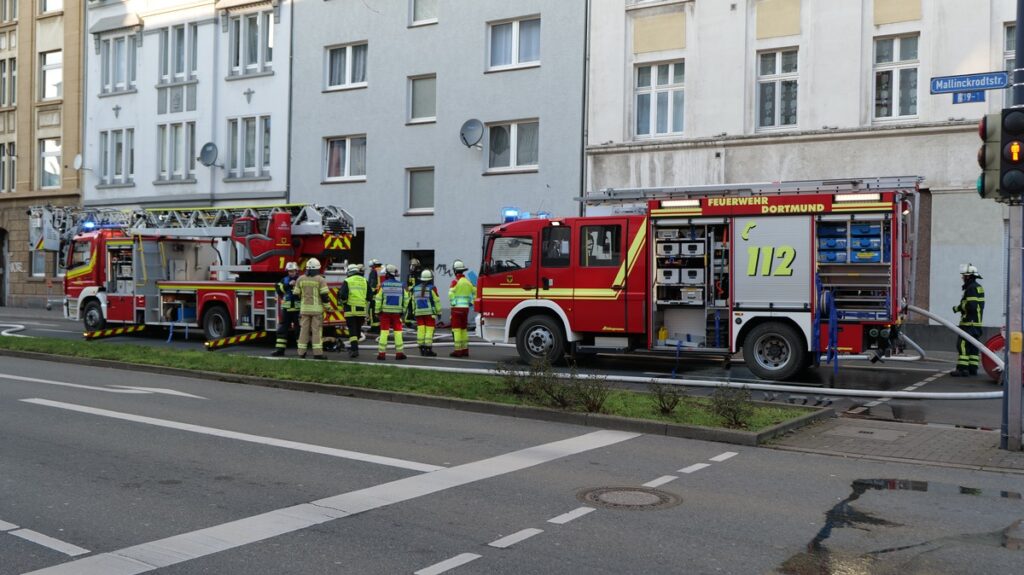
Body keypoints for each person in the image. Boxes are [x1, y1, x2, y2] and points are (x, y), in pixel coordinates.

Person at [951, 263, 985, 377]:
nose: (962, 278)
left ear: (969, 276)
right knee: (973, 345)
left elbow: (971, 305)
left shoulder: (971, 288)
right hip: (976, 323)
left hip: (969, 323)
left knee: (962, 344)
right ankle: (972, 368)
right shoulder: (978, 287)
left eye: (964, 276)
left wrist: (958, 308)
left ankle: (962, 369)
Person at [295, 258, 330, 360]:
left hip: (304, 310)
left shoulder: (300, 279)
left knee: (303, 331)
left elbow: (296, 294)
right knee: (316, 332)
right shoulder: (320, 279)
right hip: (316, 311)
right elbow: (324, 296)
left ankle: (301, 353)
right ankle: (317, 354)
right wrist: (328, 308)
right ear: (317, 269)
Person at [375, 264, 408, 361]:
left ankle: (381, 354)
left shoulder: (383, 285)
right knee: (398, 333)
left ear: (387, 274)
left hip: (385, 313)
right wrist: (403, 310)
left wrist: (377, 311)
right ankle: (399, 353)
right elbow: (406, 299)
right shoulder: (401, 285)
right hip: (397, 314)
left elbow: (378, 299)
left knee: (384, 332)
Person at [271, 262, 301, 357]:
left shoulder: (301, 279)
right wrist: (288, 284)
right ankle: (280, 350)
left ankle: (301, 351)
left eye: (292, 271)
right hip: (286, 309)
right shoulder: (284, 280)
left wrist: (296, 285)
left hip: (298, 310)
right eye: (289, 271)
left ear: (296, 271)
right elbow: (279, 290)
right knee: (282, 330)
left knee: (299, 331)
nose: (291, 273)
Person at [338, 263, 368, 358]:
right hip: (361, 310)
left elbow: (343, 295)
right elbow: (369, 296)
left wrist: (344, 302)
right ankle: (354, 347)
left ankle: (354, 350)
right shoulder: (364, 281)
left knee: (352, 330)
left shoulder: (348, 280)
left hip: (350, 310)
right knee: (358, 330)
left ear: (349, 272)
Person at [448, 259, 476, 357]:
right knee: (463, 329)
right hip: (465, 309)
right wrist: (471, 302)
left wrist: (453, 303)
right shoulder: (468, 282)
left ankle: (458, 351)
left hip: (456, 309)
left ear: (455, 270)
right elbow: (475, 292)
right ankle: (465, 349)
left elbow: (450, 293)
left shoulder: (455, 281)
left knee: (456, 330)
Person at [413, 270, 442, 356]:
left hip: (418, 312)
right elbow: (436, 301)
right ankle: (428, 349)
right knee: (429, 330)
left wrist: (414, 311)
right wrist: (439, 312)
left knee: (421, 330)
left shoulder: (415, 288)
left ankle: (421, 348)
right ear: (430, 279)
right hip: (429, 313)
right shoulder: (432, 288)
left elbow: (413, 301)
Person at [404, 258, 422, 327]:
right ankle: (408, 322)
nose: (412, 267)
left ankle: (416, 322)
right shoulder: (409, 275)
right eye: (411, 265)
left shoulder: (420, 274)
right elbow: (408, 284)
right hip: (410, 294)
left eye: (414, 265)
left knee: (416, 308)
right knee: (409, 307)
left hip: (417, 294)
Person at [367, 259, 382, 330]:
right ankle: (379, 326)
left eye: (371, 267)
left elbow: (372, 284)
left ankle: (374, 327)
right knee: (378, 311)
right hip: (381, 294)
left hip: (375, 295)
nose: (370, 268)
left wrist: (370, 294)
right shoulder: (382, 270)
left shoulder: (373, 271)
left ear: (373, 265)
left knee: (372, 310)